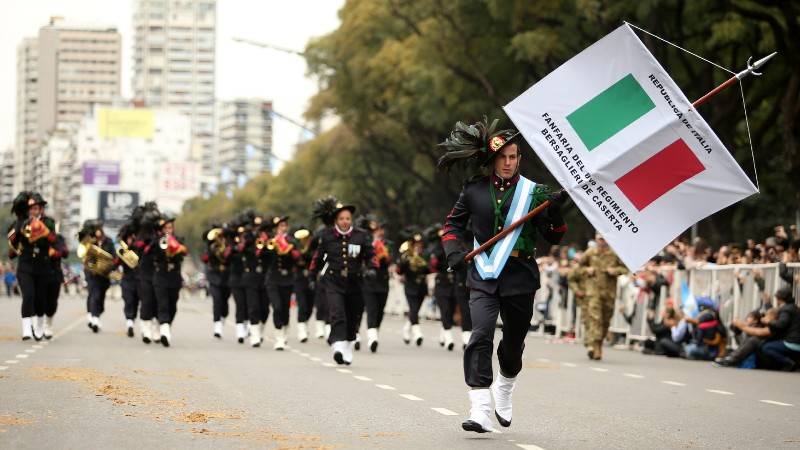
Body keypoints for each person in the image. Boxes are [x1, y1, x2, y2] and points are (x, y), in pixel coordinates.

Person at [438, 117, 567, 433]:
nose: (508, 163)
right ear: (492, 160)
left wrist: (554, 212)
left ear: (519, 159)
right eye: (502, 157)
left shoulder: (535, 193)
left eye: (513, 157)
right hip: (483, 274)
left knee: (513, 343)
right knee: (480, 334)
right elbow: (452, 225)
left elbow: (555, 236)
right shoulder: (473, 189)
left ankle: (505, 385)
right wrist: (454, 252)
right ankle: (480, 407)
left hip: (520, 276)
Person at [309, 201, 376, 365]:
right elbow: (318, 258)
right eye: (341, 218)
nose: (345, 221)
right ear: (336, 221)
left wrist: (372, 268)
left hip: (355, 282)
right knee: (337, 313)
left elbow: (370, 255)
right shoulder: (327, 236)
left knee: (353, 316)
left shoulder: (361, 235)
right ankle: (338, 346)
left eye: (347, 218)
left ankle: (347, 346)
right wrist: (312, 276)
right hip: (333, 281)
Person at [8, 192, 56, 340]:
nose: (34, 211)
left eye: (36, 208)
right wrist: (19, 229)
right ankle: (26, 328)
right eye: (31, 209)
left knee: (40, 299)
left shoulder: (48, 222)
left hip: (43, 265)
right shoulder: (20, 222)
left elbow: (53, 239)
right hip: (25, 265)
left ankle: (39, 325)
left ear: (41, 209)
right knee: (28, 295)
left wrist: (42, 230)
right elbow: (12, 242)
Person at [575, 233, 627, 360]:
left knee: (605, 320)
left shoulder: (614, 253)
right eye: (600, 239)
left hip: (609, 293)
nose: (602, 242)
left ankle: (597, 343)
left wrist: (615, 271)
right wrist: (587, 270)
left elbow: (625, 269)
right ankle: (595, 346)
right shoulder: (590, 252)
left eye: (604, 239)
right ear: (596, 239)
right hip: (593, 292)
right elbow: (578, 268)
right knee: (595, 318)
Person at [731, 288, 799, 371]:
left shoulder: (786, 310)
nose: (764, 318)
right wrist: (767, 303)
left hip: (792, 342)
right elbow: (773, 314)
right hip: (793, 341)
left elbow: (776, 325)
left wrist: (742, 326)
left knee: (763, 345)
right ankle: (733, 359)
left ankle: (788, 363)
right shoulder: (790, 308)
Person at [151, 216, 187, 347]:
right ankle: (164, 332)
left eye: (170, 228)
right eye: (165, 228)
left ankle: (164, 326)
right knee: (163, 304)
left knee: (173, 306)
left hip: (174, 278)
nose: (168, 230)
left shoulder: (179, 240)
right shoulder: (157, 241)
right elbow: (152, 254)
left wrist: (175, 248)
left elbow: (183, 253)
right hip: (160, 277)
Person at [358, 215, 391, 353]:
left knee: (380, 311)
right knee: (370, 309)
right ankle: (371, 337)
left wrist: (381, 249)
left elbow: (389, 261)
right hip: (368, 282)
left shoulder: (387, 244)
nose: (378, 232)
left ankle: (374, 332)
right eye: (376, 230)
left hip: (382, 281)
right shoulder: (364, 243)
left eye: (379, 229)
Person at [79, 220, 117, 333]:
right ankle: (94, 318)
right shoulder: (89, 241)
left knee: (100, 296)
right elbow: (84, 254)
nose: (98, 231)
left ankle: (95, 315)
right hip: (91, 273)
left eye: (99, 229)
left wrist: (110, 267)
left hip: (104, 274)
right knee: (94, 293)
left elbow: (113, 257)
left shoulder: (109, 241)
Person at [241, 213, 273, 348]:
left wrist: (266, 243)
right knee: (253, 307)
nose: (258, 230)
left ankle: (260, 330)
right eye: (256, 227)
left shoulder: (269, 239)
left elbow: (272, 255)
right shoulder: (248, 237)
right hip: (251, 277)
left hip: (265, 277)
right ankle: (254, 334)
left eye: (260, 227)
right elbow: (243, 250)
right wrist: (254, 242)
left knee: (265, 309)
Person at [133, 203, 162, 344]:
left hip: (159, 272)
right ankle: (146, 328)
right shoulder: (141, 234)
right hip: (144, 272)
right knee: (147, 299)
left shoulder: (161, 233)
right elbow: (138, 246)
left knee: (158, 300)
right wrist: (149, 244)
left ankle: (157, 327)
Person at [397, 229, 429, 346]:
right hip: (410, 286)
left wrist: (422, 261)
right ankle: (417, 333)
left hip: (421, 287)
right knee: (414, 309)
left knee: (415, 311)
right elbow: (400, 271)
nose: (418, 246)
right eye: (416, 244)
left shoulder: (425, 255)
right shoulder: (406, 255)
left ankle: (406, 329)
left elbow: (429, 270)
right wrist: (406, 260)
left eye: (420, 244)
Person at [266, 215, 294, 350]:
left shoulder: (291, 241)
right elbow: (263, 256)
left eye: (284, 226)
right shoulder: (271, 241)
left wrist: (285, 244)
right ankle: (279, 337)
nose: (282, 228)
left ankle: (285, 330)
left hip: (287, 279)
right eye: (279, 226)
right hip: (273, 279)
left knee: (285, 309)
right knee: (276, 307)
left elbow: (296, 257)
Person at [428, 224, 457, 351]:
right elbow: (433, 265)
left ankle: (443, 333)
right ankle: (449, 338)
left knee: (450, 311)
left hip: (454, 282)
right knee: (444, 309)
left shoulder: (455, 245)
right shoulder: (437, 248)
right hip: (442, 282)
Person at [202, 223, 232, 339]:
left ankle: (222, 318)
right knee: (217, 300)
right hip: (214, 276)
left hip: (226, 276)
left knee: (224, 302)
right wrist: (210, 247)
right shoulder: (210, 244)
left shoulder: (228, 242)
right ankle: (217, 325)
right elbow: (205, 258)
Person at [291, 224, 315, 343]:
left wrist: (309, 248)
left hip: (310, 278)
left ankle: (304, 323)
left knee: (310, 306)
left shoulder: (313, 246)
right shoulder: (294, 245)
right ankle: (301, 329)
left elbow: (315, 258)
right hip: (299, 278)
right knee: (302, 304)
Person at [117, 222, 140, 338]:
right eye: (129, 238)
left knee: (135, 302)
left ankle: (132, 320)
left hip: (139, 280)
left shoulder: (139, 249)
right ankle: (129, 322)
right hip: (127, 279)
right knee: (128, 300)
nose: (130, 240)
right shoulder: (123, 250)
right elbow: (115, 263)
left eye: (132, 237)